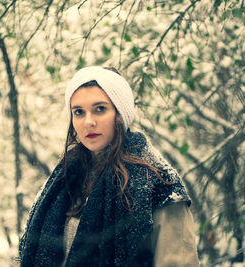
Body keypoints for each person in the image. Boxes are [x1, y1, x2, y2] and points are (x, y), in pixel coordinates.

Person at [18, 66, 199, 267]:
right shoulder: (64, 179)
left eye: (100, 109)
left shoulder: (157, 182)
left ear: (120, 113)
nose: (88, 122)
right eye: (79, 112)